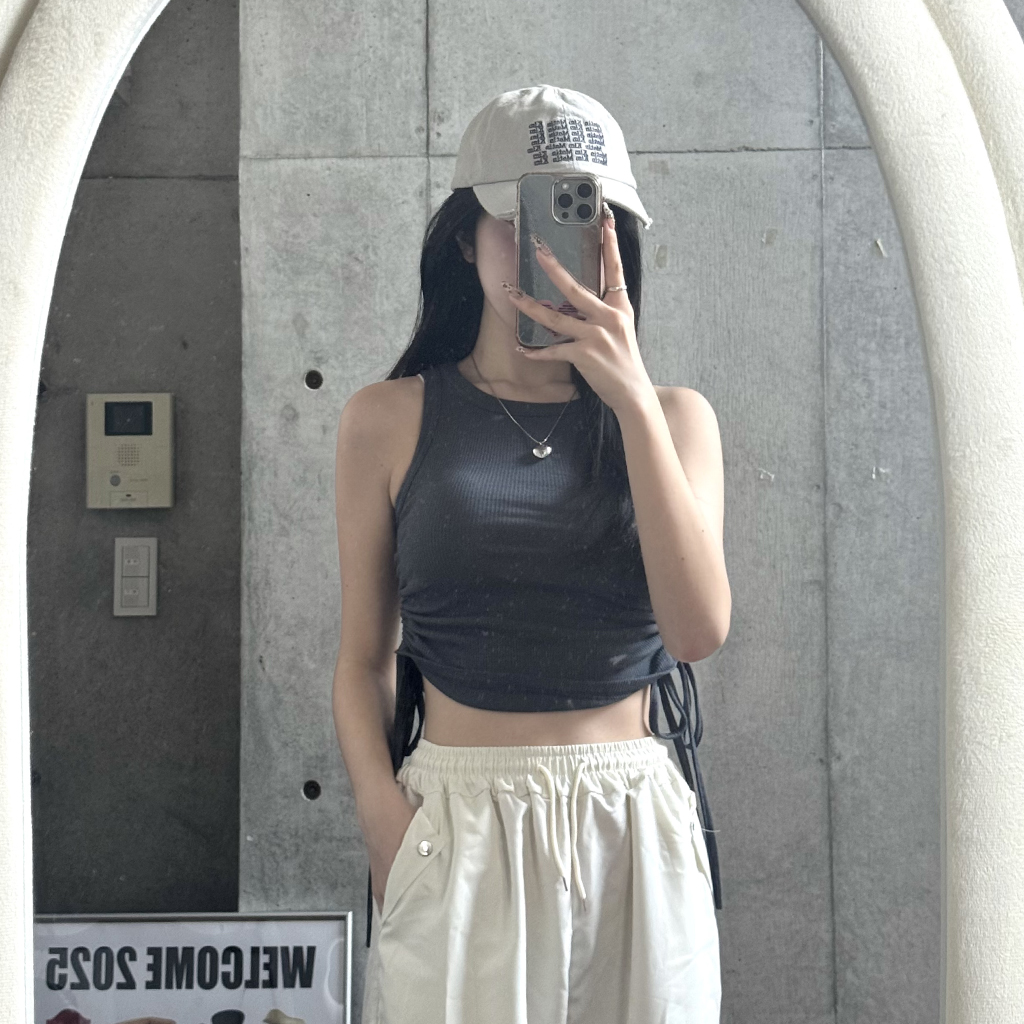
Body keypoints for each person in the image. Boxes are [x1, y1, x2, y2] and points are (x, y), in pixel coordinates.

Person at [333, 85, 730, 1024]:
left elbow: (697, 631)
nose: (548, 252)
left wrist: (630, 399)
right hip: (456, 824)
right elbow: (362, 659)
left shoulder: (676, 419)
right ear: (463, 239)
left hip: (633, 818)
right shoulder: (385, 419)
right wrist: (385, 823)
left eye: (581, 220)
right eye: (519, 222)